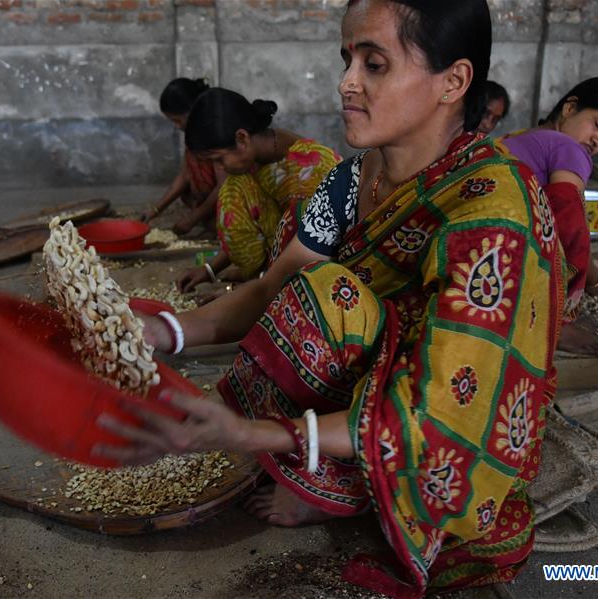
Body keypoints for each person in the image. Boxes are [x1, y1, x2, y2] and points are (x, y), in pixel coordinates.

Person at [100, 0, 564, 596]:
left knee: (331, 296)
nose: (346, 83)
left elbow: (445, 412)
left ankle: (334, 478)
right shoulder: (353, 178)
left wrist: (264, 436)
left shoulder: (493, 207)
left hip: (445, 415)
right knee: (311, 293)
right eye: (347, 60)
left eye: (374, 64)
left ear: (454, 81)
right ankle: (325, 453)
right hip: (371, 374)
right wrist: (166, 331)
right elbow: (271, 287)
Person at [175, 88, 341, 293]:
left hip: (318, 267)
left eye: (218, 159)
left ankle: (261, 277)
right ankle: (259, 274)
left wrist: (248, 291)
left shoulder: (302, 172)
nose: (219, 167)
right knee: (235, 187)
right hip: (287, 256)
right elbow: (258, 222)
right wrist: (209, 269)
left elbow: (309, 252)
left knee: (231, 191)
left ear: (242, 138)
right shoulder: (261, 156)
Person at [501, 77, 598, 320]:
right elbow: (568, 223)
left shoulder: (519, 137)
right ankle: (559, 324)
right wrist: (594, 278)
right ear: (569, 108)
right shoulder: (569, 147)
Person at [140, 78, 225, 235]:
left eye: (177, 120)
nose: (177, 126)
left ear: (193, 110)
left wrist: (192, 219)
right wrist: (155, 210)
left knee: (220, 226)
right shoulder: (195, 132)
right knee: (187, 195)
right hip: (214, 196)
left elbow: (224, 185)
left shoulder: (216, 131)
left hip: (233, 194)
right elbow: (186, 174)